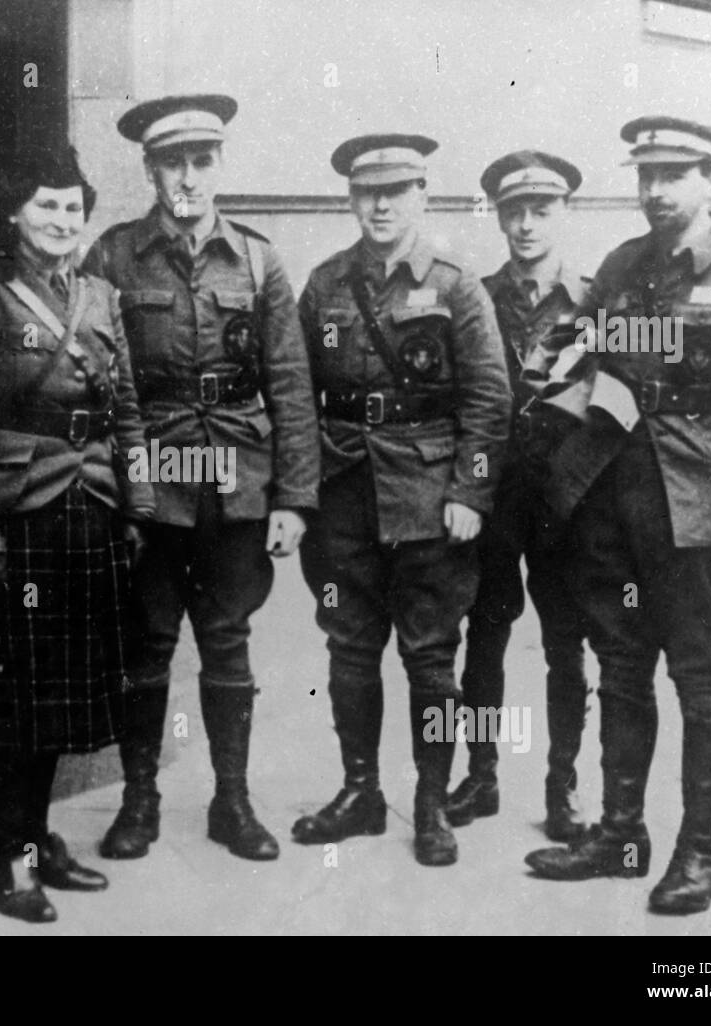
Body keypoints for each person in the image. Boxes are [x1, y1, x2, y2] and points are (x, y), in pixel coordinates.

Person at [524, 117, 711, 915]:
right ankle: (619, 835)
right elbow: (590, 353)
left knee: (703, 674)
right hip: (613, 499)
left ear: (710, 174)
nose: (655, 192)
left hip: (698, 512)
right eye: (645, 175)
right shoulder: (621, 266)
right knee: (621, 667)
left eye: (673, 174)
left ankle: (698, 852)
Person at [82, 95, 320, 862]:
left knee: (227, 641)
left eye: (201, 160)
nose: (187, 176)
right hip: (152, 481)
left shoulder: (256, 258)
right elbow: (93, 378)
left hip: (236, 480)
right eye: (171, 161)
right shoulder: (113, 257)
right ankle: (139, 802)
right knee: (147, 644)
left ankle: (233, 801)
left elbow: (290, 383)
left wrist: (294, 498)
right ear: (149, 169)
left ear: (219, 165)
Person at [0, 144, 156, 923]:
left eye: (72, 207)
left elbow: (126, 406)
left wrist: (139, 503)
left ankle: (35, 837)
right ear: (14, 215)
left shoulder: (102, 293)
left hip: (90, 503)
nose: (61, 220)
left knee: (64, 690)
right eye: (45, 206)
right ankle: (4, 854)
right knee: (16, 694)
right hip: (19, 509)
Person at [293, 134, 512, 866]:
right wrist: (301, 493)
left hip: (429, 496)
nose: (380, 205)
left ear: (422, 194)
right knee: (350, 649)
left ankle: (429, 800)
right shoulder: (325, 285)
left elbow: (489, 398)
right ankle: (361, 792)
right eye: (366, 192)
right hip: (344, 491)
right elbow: (298, 395)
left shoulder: (456, 285)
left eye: (396, 190)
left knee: (430, 659)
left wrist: (472, 491)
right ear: (351, 199)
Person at [446, 151, 592, 842]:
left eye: (542, 209)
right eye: (515, 211)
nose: (527, 224)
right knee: (485, 636)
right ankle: (480, 776)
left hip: (565, 503)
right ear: (498, 216)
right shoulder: (475, 298)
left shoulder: (595, 303)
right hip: (497, 494)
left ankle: (562, 788)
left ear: (565, 213)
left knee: (568, 644)